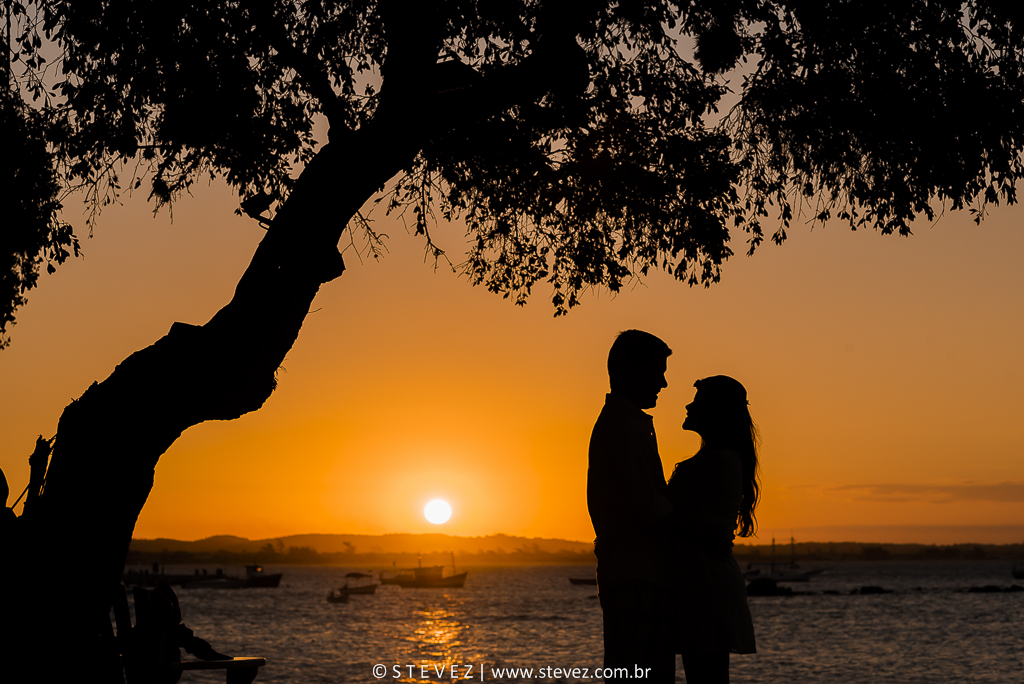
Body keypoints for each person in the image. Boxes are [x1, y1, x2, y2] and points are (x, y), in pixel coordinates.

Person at [588, 330, 676, 684]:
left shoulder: (628, 423)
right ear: (632, 370)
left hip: (636, 573)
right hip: (635, 574)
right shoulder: (622, 426)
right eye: (658, 372)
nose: (664, 383)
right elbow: (647, 506)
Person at [667, 375, 759, 683]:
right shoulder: (719, 459)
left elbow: (675, 521)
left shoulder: (717, 461)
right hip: (704, 584)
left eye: (697, 401)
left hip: (705, 588)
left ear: (715, 411)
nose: (688, 405)